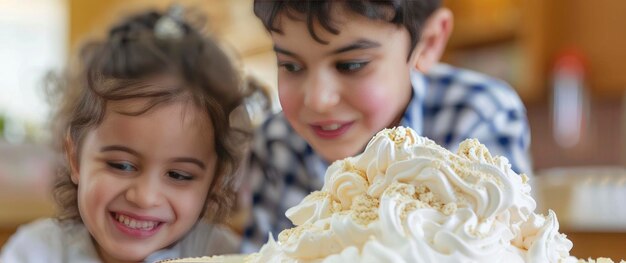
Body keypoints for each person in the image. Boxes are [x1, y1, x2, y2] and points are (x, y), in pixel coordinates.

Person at [240, 0, 532, 252]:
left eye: (351, 64)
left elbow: (501, 248)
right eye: (291, 65)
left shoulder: (476, 114)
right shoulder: (277, 141)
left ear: (428, 42)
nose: (318, 100)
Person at [1, 7, 255, 262]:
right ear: (75, 157)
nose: (145, 197)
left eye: (178, 175)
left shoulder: (225, 255)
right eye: (121, 165)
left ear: (215, 180)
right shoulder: (34, 253)